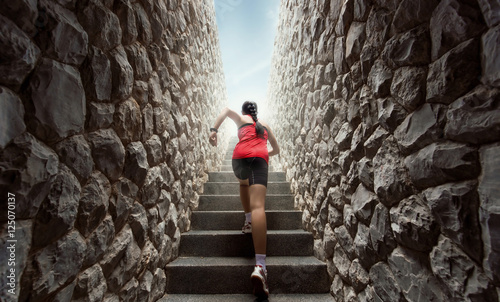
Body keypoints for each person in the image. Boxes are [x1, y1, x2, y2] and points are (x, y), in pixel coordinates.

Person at [209, 101, 280, 298]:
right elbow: (277, 149)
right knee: (259, 206)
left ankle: (248, 220)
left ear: (243, 112)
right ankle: (260, 266)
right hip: (259, 158)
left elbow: (225, 110)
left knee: (243, 184)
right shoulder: (264, 126)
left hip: (239, 158)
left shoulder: (240, 119)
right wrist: (264, 153)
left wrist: (214, 130)